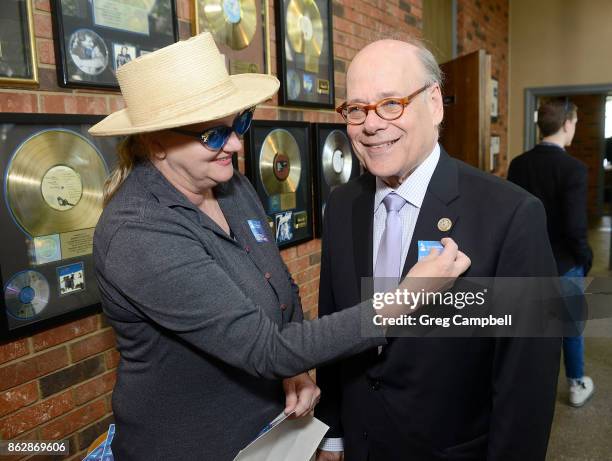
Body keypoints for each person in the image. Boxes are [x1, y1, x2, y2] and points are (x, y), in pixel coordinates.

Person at [89, 33, 470, 460]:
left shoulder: (230, 185)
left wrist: (295, 368)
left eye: (239, 123)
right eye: (213, 136)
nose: (235, 145)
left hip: (269, 438)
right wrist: (404, 299)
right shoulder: (137, 233)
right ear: (156, 143)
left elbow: (281, 289)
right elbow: (263, 348)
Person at [315, 38, 562, 461]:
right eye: (356, 109)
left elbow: (526, 385)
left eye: (391, 103)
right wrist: (333, 434)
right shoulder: (341, 205)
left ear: (434, 104)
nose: (371, 124)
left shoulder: (511, 215)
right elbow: (335, 321)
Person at [508, 98, 594, 407]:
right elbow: (574, 226)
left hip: (527, 261)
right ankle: (576, 384)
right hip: (564, 262)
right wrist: (585, 257)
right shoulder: (574, 168)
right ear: (567, 124)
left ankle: (527, 387)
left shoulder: (519, 164)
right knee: (570, 326)